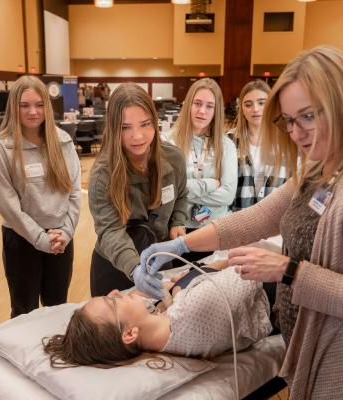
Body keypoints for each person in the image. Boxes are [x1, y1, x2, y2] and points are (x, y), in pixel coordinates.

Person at [139, 46, 343, 399]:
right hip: (305, 342)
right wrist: (183, 244)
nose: (295, 133)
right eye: (289, 121)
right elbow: (257, 219)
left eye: (307, 117)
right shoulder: (316, 170)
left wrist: (290, 270)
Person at [43, 266, 272, 368]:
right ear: (130, 333)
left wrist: (174, 290)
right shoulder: (194, 308)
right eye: (112, 301)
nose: (115, 292)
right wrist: (181, 285)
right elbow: (251, 267)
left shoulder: (166, 326)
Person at [0, 76, 81, 318]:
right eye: (25, 105)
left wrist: (66, 232)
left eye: (39, 105)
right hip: (21, 241)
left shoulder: (63, 141)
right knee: (23, 312)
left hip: (60, 238)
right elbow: (7, 205)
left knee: (57, 308)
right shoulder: (1, 148)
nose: (33, 112)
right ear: (14, 107)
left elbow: (74, 193)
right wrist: (40, 239)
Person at [88, 82, 188, 298]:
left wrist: (178, 221)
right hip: (114, 266)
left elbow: (181, 195)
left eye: (145, 124)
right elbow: (110, 230)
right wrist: (135, 269)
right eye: (125, 127)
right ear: (114, 128)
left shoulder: (174, 159)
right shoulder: (102, 175)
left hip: (160, 258)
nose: (138, 136)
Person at [164, 78, 237, 262]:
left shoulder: (226, 145)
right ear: (188, 104)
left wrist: (183, 192)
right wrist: (211, 184)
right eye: (197, 103)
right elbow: (166, 191)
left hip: (215, 230)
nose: (202, 111)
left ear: (216, 110)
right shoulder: (167, 141)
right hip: (177, 229)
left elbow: (228, 195)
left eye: (209, 106)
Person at [228, 80, 287, 211]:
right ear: (241, 109)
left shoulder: (287, 141)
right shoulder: (229, 141)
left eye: (262, 103)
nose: (255, 109)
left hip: (276, 224)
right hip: (237, 222)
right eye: (248, 104)